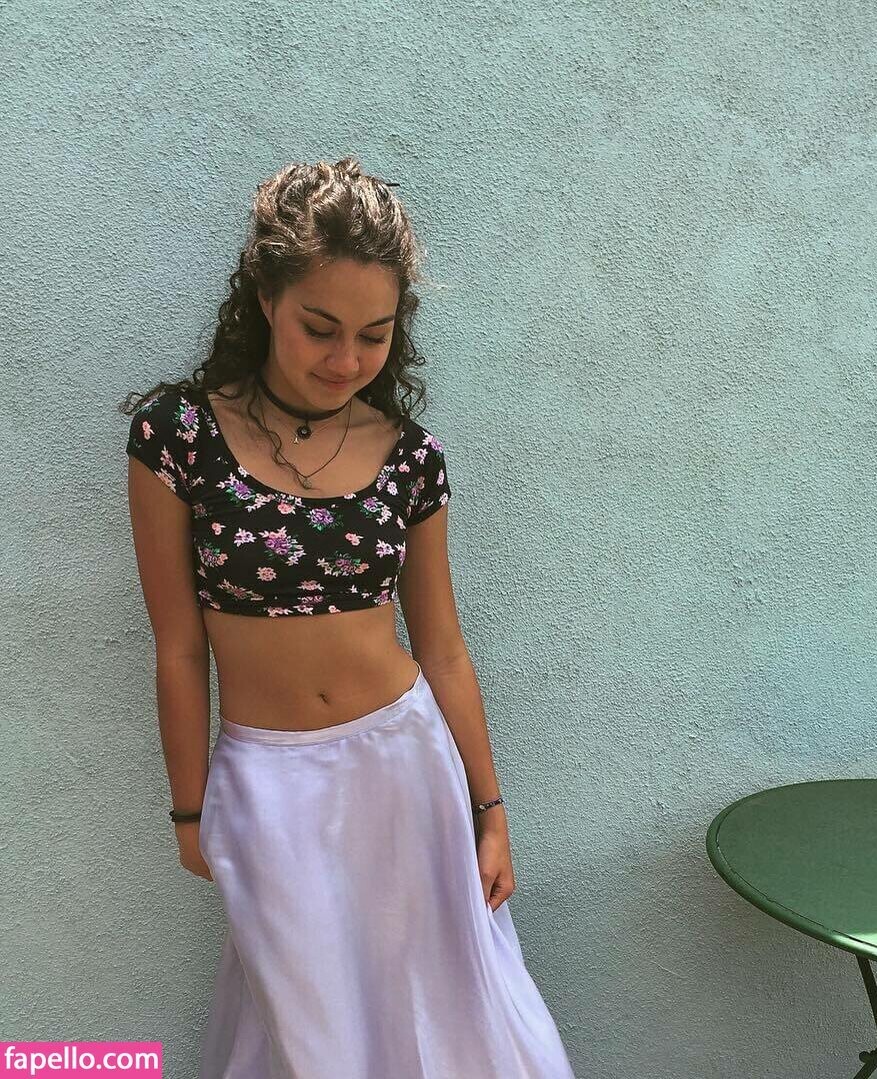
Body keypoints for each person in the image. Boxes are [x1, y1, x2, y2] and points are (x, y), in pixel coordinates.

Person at [122, 157, 576, 1079]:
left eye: (374, 335)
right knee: (312, 1034)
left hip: (406, 767)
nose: (345, 360)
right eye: (319, 328)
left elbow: (442, 647)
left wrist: (491, 811)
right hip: (267, 783)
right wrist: (190, 808)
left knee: (445, 1018)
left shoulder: (411, 458)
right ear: (265, 298)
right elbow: (178, 646)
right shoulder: (177, 436)